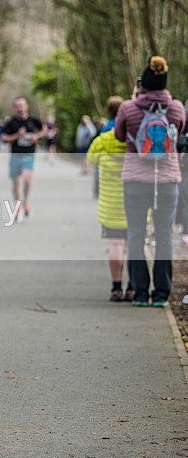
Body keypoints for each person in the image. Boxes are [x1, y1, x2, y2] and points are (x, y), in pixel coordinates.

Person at [115, 56, 185, 307]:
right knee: (164, 235)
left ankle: (141, 293)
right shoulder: (176, 107)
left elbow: (120, 135)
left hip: (135, 180)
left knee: (136, 234)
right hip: (167, 181)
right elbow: (179, 133)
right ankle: (161, 294)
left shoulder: (128, 108)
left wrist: (135, 100)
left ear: (143, 83)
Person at [87, 99, 132, 302]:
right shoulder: (134, 136)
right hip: (135, 197)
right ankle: (134, 286)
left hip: (110, 202)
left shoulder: (103, 139)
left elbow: (91, 161)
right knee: (134, 244)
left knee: (116, 242)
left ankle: (116, 287)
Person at [1, 97, 46, 222]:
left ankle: (25, 202)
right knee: (16, 183)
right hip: (15, 156)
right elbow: (3, 138)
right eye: (17, 106)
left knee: (27, 180)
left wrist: (36, 136)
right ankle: (17, 207)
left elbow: (44, 130)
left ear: (26, 106)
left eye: (22, 105)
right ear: (14, 108)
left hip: (28, 155)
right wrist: (16, 136)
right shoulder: (11, 123)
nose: (20, 108)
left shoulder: (33, 120)